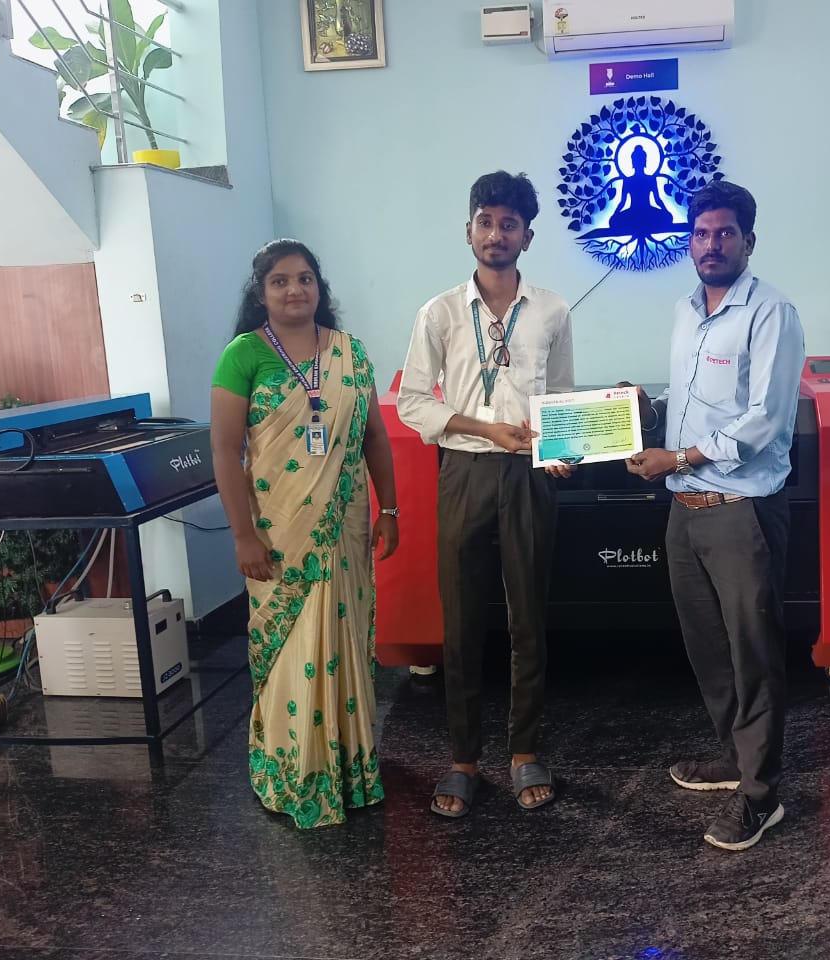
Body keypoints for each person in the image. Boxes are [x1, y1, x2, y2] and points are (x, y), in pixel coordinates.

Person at [626, 180, 805, 851]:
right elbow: (693, 399)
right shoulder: (686, 310)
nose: (711, 245)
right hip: (685, 509)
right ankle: (736, 756)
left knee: (753, 652)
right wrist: (645, 410)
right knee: (708, 647)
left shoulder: (772, 313)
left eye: (725, 233)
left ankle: (761, 795)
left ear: (747, 242)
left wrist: (676, 457)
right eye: (700, 234)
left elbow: (765, 420)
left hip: (740, 511)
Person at [398, 170, 575, 819]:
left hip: (529, 476)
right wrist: (483, 429)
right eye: (485, 222)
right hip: (465, 471)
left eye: (509, 224)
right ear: (468, 229)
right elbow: (414, 402)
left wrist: (562, 450)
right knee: (462, 618)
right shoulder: (439, 312)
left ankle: (525, 750)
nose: (495, 233)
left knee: (528, 617)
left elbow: (560, 398)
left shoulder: (552, 310)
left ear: (527, 235)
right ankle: (463, 759)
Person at [210, 238, 399, 829]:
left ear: (320, 287)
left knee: (344, 639)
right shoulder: (243, 354)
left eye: (305, 278)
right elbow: (224, 450)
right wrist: (243, 535)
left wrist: (390, 510)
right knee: (292, 648)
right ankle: (295, 772)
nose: (295, 289)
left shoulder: (348, 352)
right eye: (280, 281)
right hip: (278, 532)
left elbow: (374, 438)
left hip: (344, 526)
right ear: (261, 292)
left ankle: (348, 767)